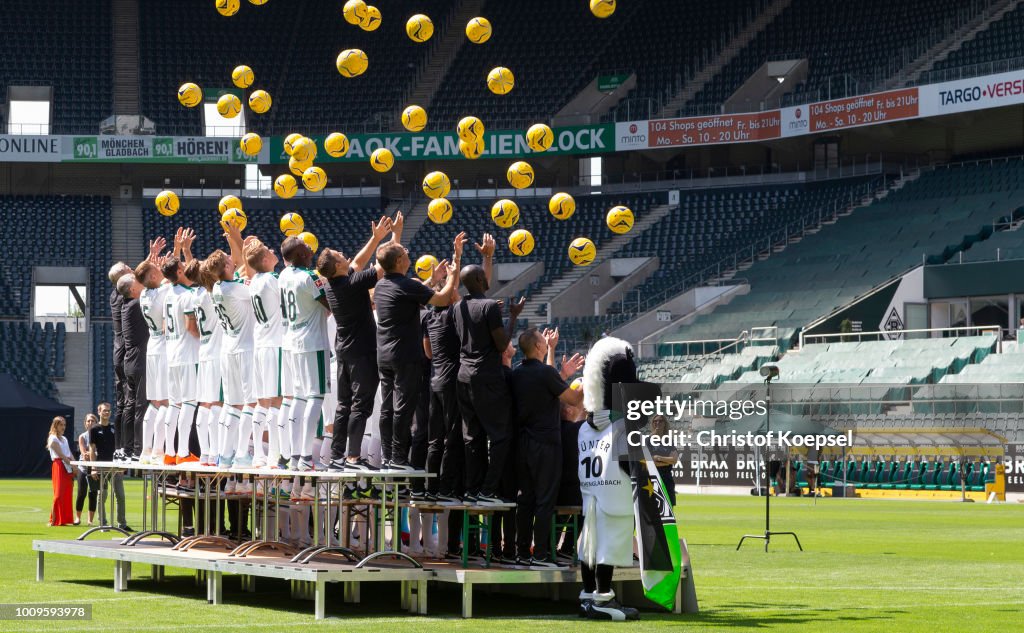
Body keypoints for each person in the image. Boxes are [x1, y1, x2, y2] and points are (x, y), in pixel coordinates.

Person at [373, 235, 460, 470]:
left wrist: (432, 279)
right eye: (406, 252)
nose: (409, 255)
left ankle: (389, 456)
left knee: (388, 406)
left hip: (384, 355)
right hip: (404, 356)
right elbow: (442, 299)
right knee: (403, 406)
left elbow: (409, 293)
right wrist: (452, 277)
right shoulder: (407, 285)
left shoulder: (381, 285)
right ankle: (400, 459)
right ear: (400, 260)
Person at [318, 214, 397, 472]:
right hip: (363, 352)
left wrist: (375, 239)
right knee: (361, 405)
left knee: (344, 406)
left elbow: (359, 262)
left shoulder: (333, 284)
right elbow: (385, 266)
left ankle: (337, 458)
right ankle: (353, 458)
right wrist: (393, 238)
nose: (344, 255)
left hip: (343, 352)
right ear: (339, 266)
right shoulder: (352, 283)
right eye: (341, 256)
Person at [577, 336, 641, 621]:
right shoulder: (621, 424)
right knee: (609, 544)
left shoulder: (584, 428)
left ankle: (588, 594)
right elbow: (630, 463)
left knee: (589, 542)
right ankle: (603, 597)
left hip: (591, 492)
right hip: (616, 493)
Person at [510, 328, 585, 567]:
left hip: (522, 443)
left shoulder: (516, 373)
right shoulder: (544, 373)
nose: (547, 342)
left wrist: (553, 351)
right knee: (545, 501)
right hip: (546, 445)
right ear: (538, 347)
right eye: (544, 342)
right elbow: (572, 399)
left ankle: (522, 551)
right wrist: (587, 385)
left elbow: (552, 381)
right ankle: (541, 553)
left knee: (525, 500)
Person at [453, 261, 523, 504]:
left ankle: (472, 490)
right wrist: (512, 317)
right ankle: (488, 490)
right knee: (501, 436)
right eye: (484, 275)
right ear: (481, 281)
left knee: (472, 437)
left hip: (463, 377)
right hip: (487, 378)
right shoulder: (491, 306)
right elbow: (503, 345)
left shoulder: (457, 306)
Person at [278, 235, 332, 472]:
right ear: (300, 254)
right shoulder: (310, 277)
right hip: (312, 342)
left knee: (298, 398)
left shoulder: (283, 275)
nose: (311, 248)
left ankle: (295, 456)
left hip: (291, 340)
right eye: (306, 247)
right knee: (315, 397)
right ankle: (307, 456)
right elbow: (330, 305)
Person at [210, 222, 257, 471]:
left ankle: (224, 454)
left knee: (231, 404)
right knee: (250, 403)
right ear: (227, 266)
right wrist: (239, 241)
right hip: (244, 349)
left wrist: (233, 242)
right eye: (229, 259)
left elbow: (239, 268)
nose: (233, 260)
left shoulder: (218, 287)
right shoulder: (237, 289)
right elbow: (249, 272)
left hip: (227, 349)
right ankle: (241, 453)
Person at [245, 238, 288, 469]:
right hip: (274, 344)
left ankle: (259, 454)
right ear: (264, 260)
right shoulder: (272, 279)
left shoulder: (254, 282)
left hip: (260, 344)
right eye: (269, 251)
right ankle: (274, 454)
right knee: (276, 401)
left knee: (262, 402)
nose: (273, 252)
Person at [162, 229, 200, 464]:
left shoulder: (168, 292)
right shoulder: (188, 296)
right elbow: (191, 328)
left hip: (171, 354)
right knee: (189, 403)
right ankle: (184, 452)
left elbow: (166, 327)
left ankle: (169, 451)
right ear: (178, 271)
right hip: (187, 354)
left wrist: (182, 251)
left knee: (173, 404)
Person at [136, 234, 172, 464]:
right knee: (167, 402)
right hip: (165, 347)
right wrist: (175, 252)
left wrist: (152, 256)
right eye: (155, 268)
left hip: (153, 346)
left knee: (154, 403)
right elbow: (173, 277)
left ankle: (146, 450)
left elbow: (141, 276)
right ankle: (159, 451)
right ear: (151, 275)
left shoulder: (143, 294)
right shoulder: (162, 292)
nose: (159, 268)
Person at [185, 257, 223, 467]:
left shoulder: (194, 295)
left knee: (204, 403)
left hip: (204, 350)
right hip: (217, 351)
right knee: (217, 402)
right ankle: (216, 452)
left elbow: (192, 329)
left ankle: (206, 453)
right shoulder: (213, 292)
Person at [118, 272, 148, 465]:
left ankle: (126, 449)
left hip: (129, 360)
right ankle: (138, 449)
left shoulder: (125, 305)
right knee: (140, 406)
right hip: (138, 360)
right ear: (132, 289)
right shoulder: (137, 304)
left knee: (130, 406)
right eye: (138, 281)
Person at [90, 403, 131, 531]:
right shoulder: (94, 429)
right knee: (102, 495)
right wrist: (93, 468)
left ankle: (122, 524)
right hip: (101, 466)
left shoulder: (115, 428)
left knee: (120, 495)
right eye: (104, 411)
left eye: (108, 411)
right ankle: (103, 524)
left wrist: (122, 464)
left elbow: (121, 447)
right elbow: (92, 449)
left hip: (115, 466)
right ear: (99, 412)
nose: (107, 413)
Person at [108, 262, 132, 459]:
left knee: (122, 403)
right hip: (125, 352)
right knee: (127, 403)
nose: (129, 266)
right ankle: (126, 447)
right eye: (126, 267)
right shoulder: (124, 295)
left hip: (119, 352)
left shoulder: (115, 294)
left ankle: (120, 447)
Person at [46, 416, 75, 527]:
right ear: (56, 425)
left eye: (64, 425)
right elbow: (61, 455)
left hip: (67, 465)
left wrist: (75, 465)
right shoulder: (52, 438)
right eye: (61, 425)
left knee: (67, 493)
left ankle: (64, 519)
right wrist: (71, 465)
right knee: (58, 494)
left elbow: (69, 453)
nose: (63, 427)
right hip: (59, 465)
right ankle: (53, 520)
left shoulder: (65, 438)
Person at [649, 415, 678, 508]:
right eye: (655, 421)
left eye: (660, 421)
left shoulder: (669, 441)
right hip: (651, 479)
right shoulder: (647, 440)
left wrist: (658, 457)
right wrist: (666, 460)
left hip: (666, 479)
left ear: (665, 423)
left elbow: (674, 460)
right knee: (652, 510)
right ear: (652, 423)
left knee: (668, 509)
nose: (657, 423)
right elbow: (647, 461)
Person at [75, 414, 99, 526]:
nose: (90, 423)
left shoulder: (99, 436)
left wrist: (93, 454)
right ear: (85, 423)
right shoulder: (82, 437)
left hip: (94, 467)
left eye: (93, 421)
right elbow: (84, 454)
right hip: (83, 467)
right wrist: (92, 453)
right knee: (81, 493)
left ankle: (90, 520)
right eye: (88, 421)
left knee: (93, 493)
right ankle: (78, 518)